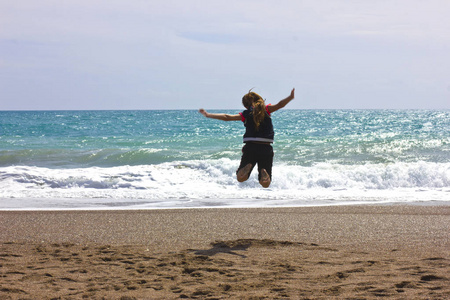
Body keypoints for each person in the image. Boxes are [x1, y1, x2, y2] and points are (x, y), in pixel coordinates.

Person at [199, 88, 295, 188]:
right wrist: (290, 97)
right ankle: (263, 171)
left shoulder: (245, 114)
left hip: (250, 147)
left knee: (240, 178)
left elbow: (227, 117)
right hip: (266, 148)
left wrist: (208, 115)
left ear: (245, 105)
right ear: (260, 100)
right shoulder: (266, 109)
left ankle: (247, 167)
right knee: (265, 183)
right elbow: (280, 105)